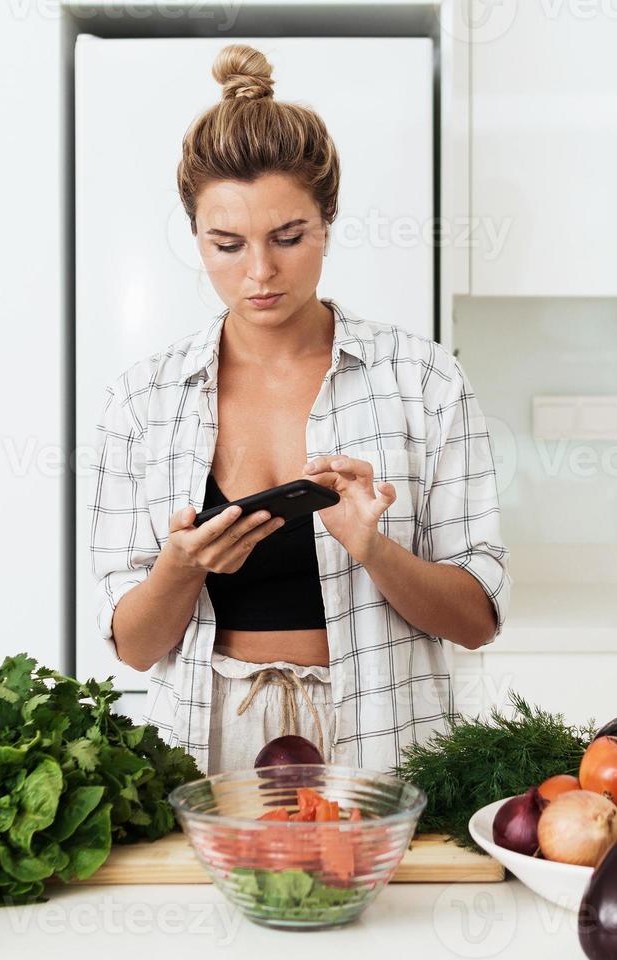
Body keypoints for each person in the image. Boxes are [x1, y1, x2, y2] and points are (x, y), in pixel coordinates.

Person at [88, 43, 510, 776]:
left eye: (288, 237)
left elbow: (475, 623)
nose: (259, 272)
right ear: (194, 236)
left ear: (327, 223)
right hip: (205, 744)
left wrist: (373, 549)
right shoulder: (142, 399)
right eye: (227, 244)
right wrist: (179, 571)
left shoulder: (422, 378)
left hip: (382, 740)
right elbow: (134, 644)